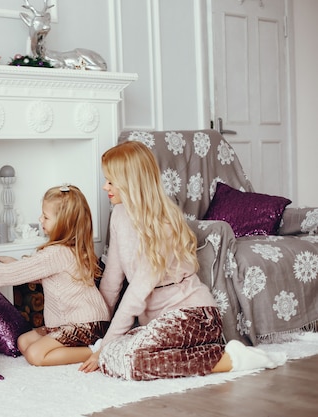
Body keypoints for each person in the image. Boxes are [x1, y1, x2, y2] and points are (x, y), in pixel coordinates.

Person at [79, 140, 287, 380]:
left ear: (130, 182)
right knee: (115, 352)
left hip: (195, 317)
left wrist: (105, 347)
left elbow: (137, 291)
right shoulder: (119, 215)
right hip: (157, 324)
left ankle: (232, 360)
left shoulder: (162, 224)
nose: (105, 186)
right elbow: (112, 279)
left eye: (111, 181)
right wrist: (99, 328)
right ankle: (211, 353)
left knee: (132, 362)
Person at [0, 185, 110, 366]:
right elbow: (35, 272)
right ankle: (79, 349)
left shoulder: (57, 252)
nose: (40, 219)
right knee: (24, 342)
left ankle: (97, 351)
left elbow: (15, 274)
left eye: (45, 217)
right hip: (68, 322)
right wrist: (13, 262)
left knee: (35, 355)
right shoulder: (67, 250)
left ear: (63, 223)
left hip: (86, 323)